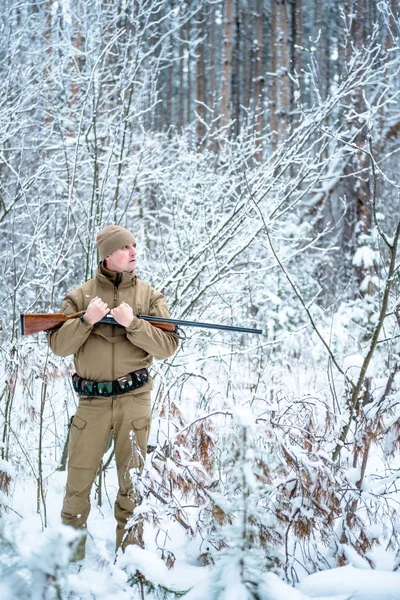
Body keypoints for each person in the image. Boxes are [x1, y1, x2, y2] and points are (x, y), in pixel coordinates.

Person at [47, 224, 178, 561]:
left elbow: (168, 346)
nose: (133, 251)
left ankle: (130, 560)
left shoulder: (151, 296)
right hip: (91, 403)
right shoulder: (79, 297)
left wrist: (132, 323)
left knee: (132, 483)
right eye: (125, 247)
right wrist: (86, 320)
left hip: (135, 400)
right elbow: (59, 346)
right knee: (77, 484)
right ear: (108, 255)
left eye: (134, 245)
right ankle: (70, 559)